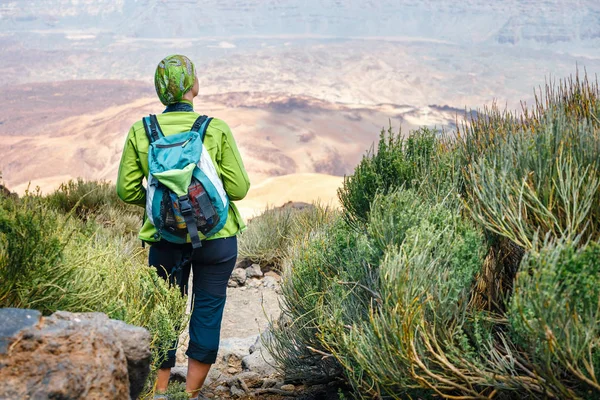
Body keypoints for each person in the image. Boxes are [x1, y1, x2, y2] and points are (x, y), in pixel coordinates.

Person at [116, 54, 250, 399]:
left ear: (161, 92)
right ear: (194, 85)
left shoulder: (141, 130)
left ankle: (160, 392)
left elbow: (126, 189)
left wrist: (164, 206)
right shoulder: (215, 128)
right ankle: (190, 394)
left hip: (164, 238)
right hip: (216, 239)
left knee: (165, 311)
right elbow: (238, 189)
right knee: (207, 308)